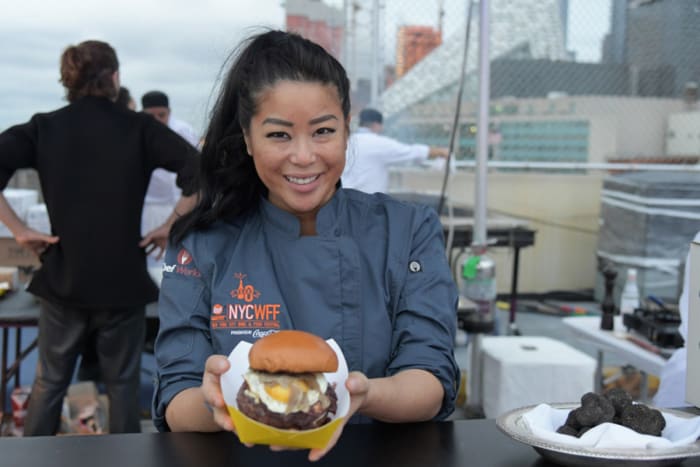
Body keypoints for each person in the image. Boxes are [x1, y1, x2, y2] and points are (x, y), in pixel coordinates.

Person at [152, 30, 459, 462]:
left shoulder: (407, 229)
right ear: (247, 138)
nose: (303, 156)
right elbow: (177, 395)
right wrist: (216, 401)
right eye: (279, 135)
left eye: (323, 131)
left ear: (347, 130)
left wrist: (363, 394)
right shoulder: (202, 241)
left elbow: (429, 378)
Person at [0, 40, 199, 435]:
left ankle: (32, 459)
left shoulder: (45, 126)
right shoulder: (140, 127)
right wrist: (170, 225)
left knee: (50, 381)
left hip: (63, 278)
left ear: (68, 81)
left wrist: (20, 231)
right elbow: (201, 173)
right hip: (122, 282)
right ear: (114, 77)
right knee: (123, 386)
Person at [341, 107, 449, 193]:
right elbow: (411, 153)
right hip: (367, 207)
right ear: (376, 125)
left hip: (342, 203)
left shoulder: (345, 142)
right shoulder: (380, 144)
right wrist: (440, 152)